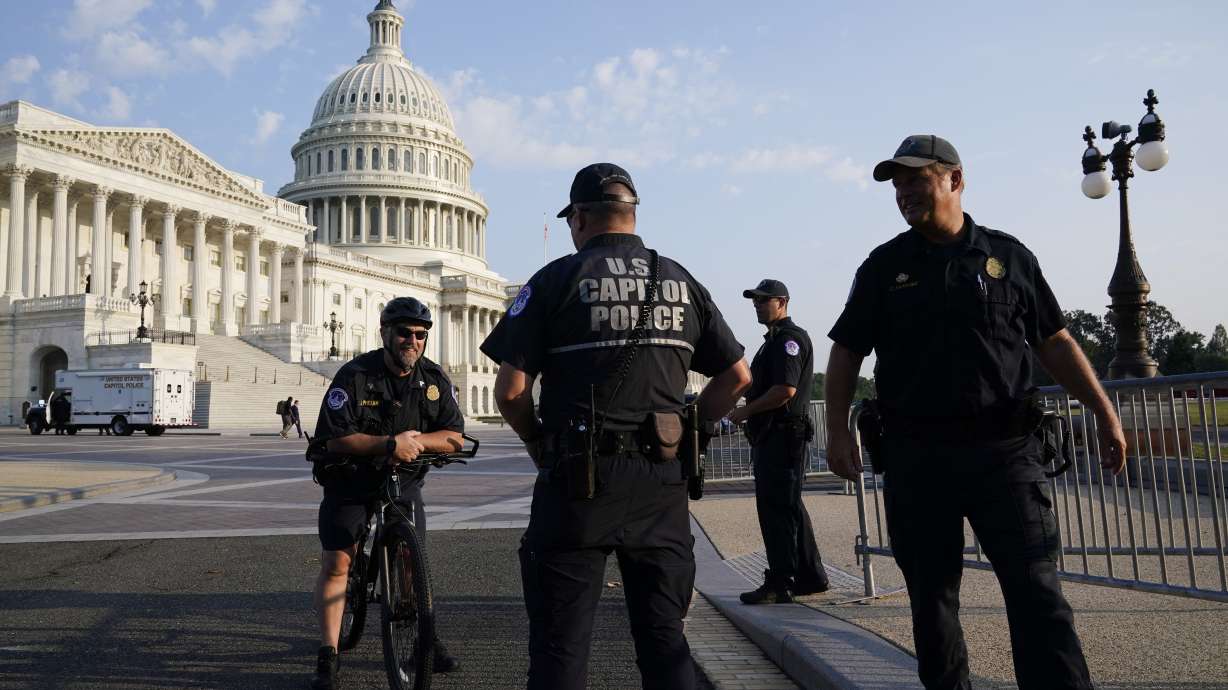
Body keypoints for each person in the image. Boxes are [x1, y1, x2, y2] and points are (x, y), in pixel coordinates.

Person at [824, 134, 1127, 690]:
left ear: (955, 180)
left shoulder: (1008, 258)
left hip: (1005, 453)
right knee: (932, 603)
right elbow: (846, 350)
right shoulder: (883, 267)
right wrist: (839, 430)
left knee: (1037, 593)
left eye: (917, 179)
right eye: (898, 185)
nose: (905, 193)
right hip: (918, 458)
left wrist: (1103, 410)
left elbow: (1054, 341)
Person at [481, 163, 751, 690]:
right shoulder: (677, 277)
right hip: (661, 480)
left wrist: (539, 441)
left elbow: (510, 392)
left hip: (578, 480)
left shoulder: (557, 279)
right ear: (631, 215)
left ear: (580, 217)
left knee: (561, 646)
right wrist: (688, 426)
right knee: (665, 640)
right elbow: (738, 376)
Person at [308, 297, 464, 690]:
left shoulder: (432, 379)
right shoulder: (355, 375)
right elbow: (336, 437)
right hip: (352, 478)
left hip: (404, 478)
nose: (413, 340)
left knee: (414, 563)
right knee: (337, 564)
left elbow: (454, 436)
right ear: (385, 334)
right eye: (404, 333)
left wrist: (417, 442)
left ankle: (423, 639)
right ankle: (329, 652)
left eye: (420, 334)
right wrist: (389, 444)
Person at [726, 279, 828, 604]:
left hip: (784, 437)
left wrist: (745, 413)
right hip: (775, 436)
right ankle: (809, 575)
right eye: (755, 301)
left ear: (782, 302)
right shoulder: (771, 341)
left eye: (763, 300)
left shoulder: (789, 340)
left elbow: (785, 390)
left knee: (777, 510)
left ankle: (782, 581)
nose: (757, 305)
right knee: (789, 507)